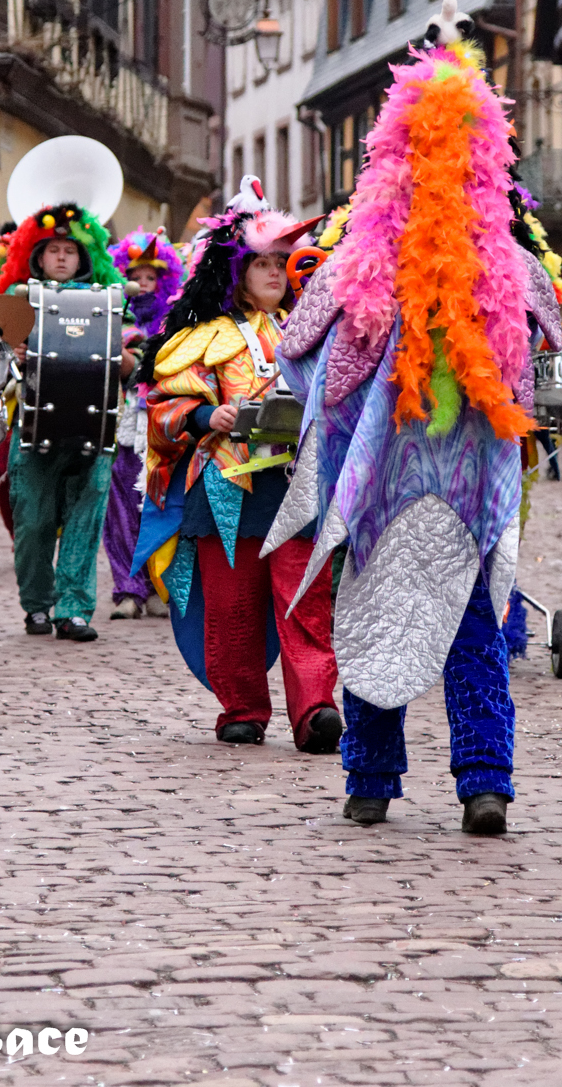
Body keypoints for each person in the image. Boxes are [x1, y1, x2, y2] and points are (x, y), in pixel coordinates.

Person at [276, 4, 562, 833]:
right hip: (391, 485)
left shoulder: (497, 262)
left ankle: (468, 781)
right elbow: (313, 353)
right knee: (389, 622)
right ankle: (421, 780)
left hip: (445, 487)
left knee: (458, 627)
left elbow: (302, 360)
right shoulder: (373, 261)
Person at [134, 186, 339, 750]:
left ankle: (316, 708)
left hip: (297, 482)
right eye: (263, 263)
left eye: (282, 262)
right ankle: (242, 707)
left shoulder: (314, 330)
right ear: (236, 270)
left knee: (305, 597)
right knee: (232, 606)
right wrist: (207, 414)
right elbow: (160, 410)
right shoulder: (202, 338)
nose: (275, 273)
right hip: (227, 486)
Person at [0, 163, 132, 642]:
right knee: (33, 519)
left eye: (71, 250)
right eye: (54, 251)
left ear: (84, 257)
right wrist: (13, 355)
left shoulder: (108, 301)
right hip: (31, 424)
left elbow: (131, 364)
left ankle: (74, 611)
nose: (63, 258)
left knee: (87, 520)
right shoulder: (15, 302)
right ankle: (37, 606)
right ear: (37, 256)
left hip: (96, 426)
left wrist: (120, 354)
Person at [106, 228, 183, 618]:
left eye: (150, 277)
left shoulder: (178, 319)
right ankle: (128, 587)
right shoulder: (110, 316)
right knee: (120, 506)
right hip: (123, 424)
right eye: (135, 276)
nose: (143, 284)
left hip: (162, 423)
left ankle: (158, 587)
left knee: (158, 503)